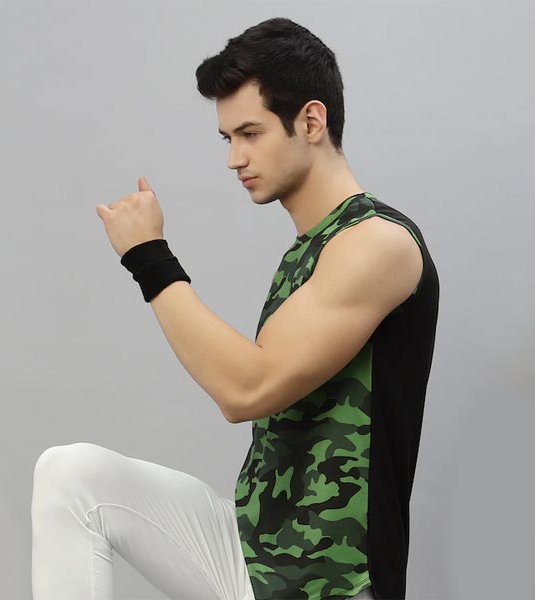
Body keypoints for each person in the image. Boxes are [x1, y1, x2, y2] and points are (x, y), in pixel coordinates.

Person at [31, 16, 439, 600]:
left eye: (250, 133)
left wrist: (149, 257)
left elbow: (247, 389)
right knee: (70, 474)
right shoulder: (312, 248)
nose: (234, 158)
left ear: (311, 121)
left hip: (332, 582)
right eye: (228, 138)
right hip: (253, 554)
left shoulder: (378, 244)